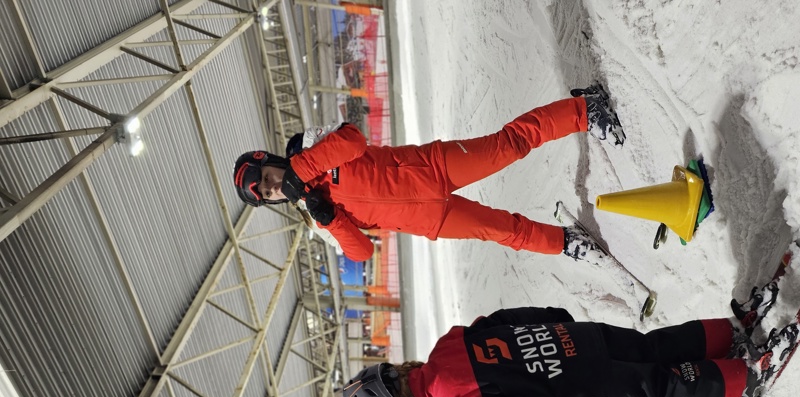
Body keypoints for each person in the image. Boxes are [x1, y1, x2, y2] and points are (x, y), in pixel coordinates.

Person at [232, 85, 625, 263]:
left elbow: (353, 140)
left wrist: (302, 168)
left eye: (265, 178)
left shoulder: (308, 146)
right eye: (265, 193)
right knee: (504, 230)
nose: (271, 187)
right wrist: (332, 220)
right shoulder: (316, 218)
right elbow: (362, 252)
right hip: (432, 219)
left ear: (270, 161)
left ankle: (585, 109)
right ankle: (565, 243)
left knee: (510, 145)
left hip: (432, 167)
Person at [340, 304, 799, 397]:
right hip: (578, 339)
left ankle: (738, 384)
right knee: (650, 346)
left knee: (656, 385)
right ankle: (724, 334)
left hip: (583, 382)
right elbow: (500, 321)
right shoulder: (446, 345)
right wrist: (553, 319)